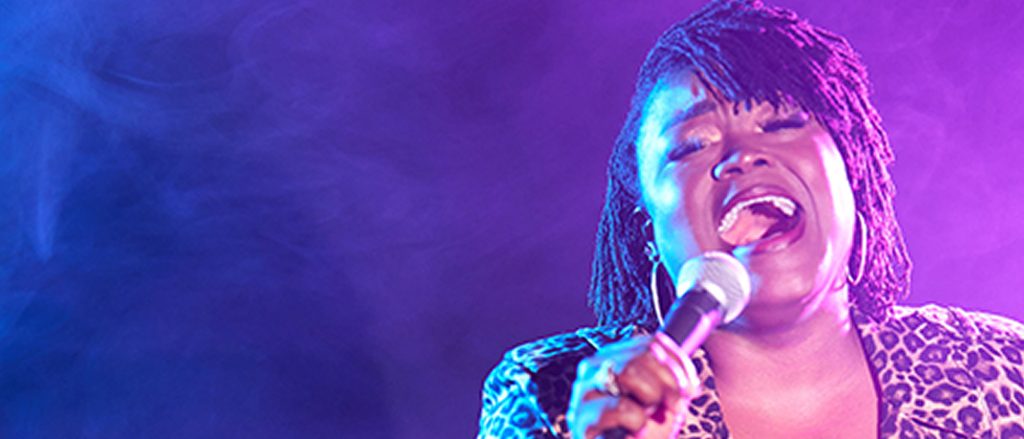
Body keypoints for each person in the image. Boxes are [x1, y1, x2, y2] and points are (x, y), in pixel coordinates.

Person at [477, 0, 1024, 438]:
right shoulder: (550, 393)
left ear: (853, 174)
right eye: (690, 145)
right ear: (648, 233)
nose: (742, 155)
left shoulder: (1001, 367)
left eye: (782, 123)